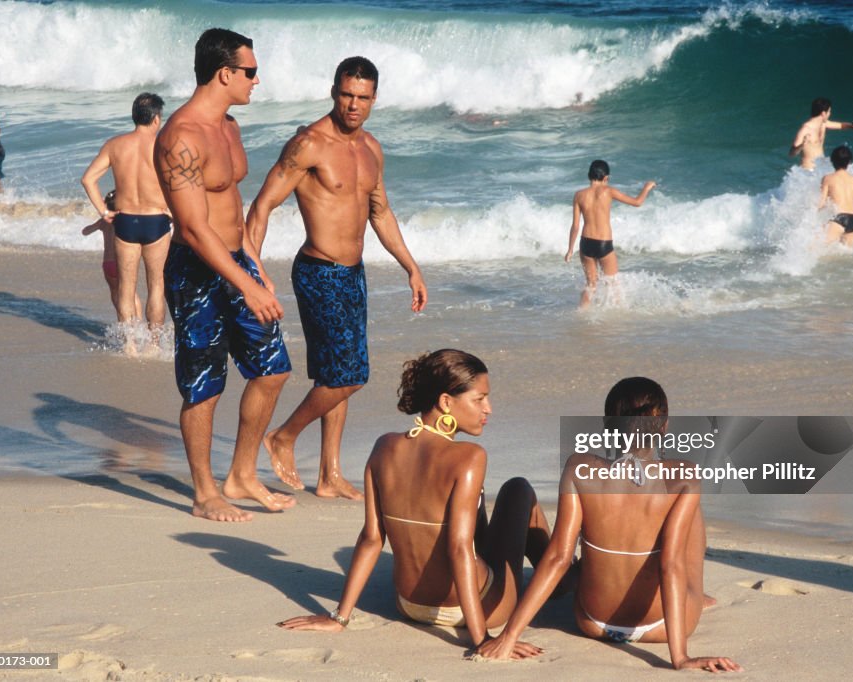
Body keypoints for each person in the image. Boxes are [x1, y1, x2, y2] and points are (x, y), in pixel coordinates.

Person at [278, 349, 553, 657]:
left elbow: (371, 538)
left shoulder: (384, 446)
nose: (488, 408)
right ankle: (560, 579)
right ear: (446, 402)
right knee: (517, 490)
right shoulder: (469, 457)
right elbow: (459, 548)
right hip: (479, 605)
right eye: (479, 399)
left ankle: (559, 576)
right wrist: (482, 639)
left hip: (409, 605)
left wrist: (339, 617)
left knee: (474, 504)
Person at [246, 56, 427, 500]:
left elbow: (381, 214)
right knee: (351, 374)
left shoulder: (372, 150)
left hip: (354, 274)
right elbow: (263, 205)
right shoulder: (309, 144)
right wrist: (253, 273)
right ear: (333, 91)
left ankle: (329, 475)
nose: (353, 105)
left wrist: (411, 266)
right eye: (346, 94)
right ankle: (282, 436)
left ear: (374, 99)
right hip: (318, 271)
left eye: (362, 97)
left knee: (335, 376)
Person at [477, 377, 741, 673]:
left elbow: (558, 558)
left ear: (607, 425)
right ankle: (695, 593)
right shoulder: (683, 475)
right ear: (664, 426)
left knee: (595, 539)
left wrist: (508, 637)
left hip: (592, 621)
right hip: (660, 626)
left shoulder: (578, 468)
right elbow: (671, 565)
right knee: (688, 511)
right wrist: (680, 658)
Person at [153, 27, 294, 522]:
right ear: (225, 73)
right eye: (250, 72)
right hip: (195, 272)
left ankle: (241, 474)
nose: (257, 80)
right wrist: (245, 284)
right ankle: (204, 492)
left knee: (273, 370)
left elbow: (230, 209)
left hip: (237, 264)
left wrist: (254, 265)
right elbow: (193, 228)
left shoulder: (229, 126)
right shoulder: (181, 137)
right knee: (204, 384)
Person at [82, 93, 172, 354]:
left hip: (125, 221)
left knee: (126, 287)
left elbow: (88, 179)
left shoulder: (115, 144)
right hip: (157, 219)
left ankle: (130, 345)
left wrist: (103, 211)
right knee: (156, 285)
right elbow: (178, 184)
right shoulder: (163, 145)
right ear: (156, 118)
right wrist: (175, 212)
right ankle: (154, 345)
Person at [565, 160, 655, 307]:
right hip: (603, 244)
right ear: (606, 178)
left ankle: (581, 315)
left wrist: (570, 250)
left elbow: (575, 226)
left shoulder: (579, 195)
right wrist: (647, 187)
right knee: (613, 285)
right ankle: (616, 317)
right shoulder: (609, 191)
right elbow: (637, 202)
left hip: (585, 243)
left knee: (591, 286)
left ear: (589, 175)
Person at [80, 190, 142, 322]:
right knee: (131, 294)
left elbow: (85, 232)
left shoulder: (103, 222)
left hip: (108, 265)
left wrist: (99, 220)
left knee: (115, 293)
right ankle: (138, 321)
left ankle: (123, 320)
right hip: (122, 262)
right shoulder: (125, 221)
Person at [790, 97, 853, 170]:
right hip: (808, 171)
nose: (830, 113)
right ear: (823, 113)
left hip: (820, 169)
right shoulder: (805, 130)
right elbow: (792, 153)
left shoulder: (824, 124)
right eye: (829, 111)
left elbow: (841, 125)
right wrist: (802, 145)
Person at [819, 145, 853, 247]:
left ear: (832, 161)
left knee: (816, 248)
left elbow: (821, 203)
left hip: (840, 218)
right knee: (846, 256)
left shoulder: (828, 178)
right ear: (849, 162)